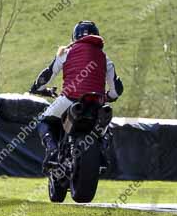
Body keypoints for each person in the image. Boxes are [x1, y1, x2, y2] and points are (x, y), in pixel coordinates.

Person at [30, 21, 123, 172]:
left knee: (43, 120)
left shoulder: (66, 53)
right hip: (97, 104)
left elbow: (47, 74)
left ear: (75, 37)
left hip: (69, 99)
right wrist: (109, 97)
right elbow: (116, 90)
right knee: (106, 129)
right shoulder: (105, 58)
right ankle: (102, 153)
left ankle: (52, 150)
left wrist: (38, 88)